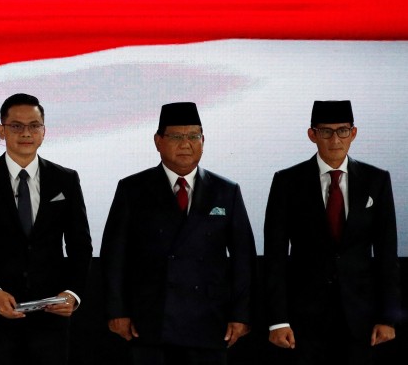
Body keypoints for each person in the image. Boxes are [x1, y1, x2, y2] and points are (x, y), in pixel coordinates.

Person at [102, 101, 255, 365]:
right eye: (176, 136)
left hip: (209, 321)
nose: (186, 144)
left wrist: (241, 314)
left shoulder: (226, 191)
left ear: (203, 141)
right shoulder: (133, 189)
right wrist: (117, 310)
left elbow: (244, 259)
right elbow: (114, 256)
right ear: (158, 141)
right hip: (150, 319)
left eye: (193, 136)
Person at [0, 93, 92, 365]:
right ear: (1, 130)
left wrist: (73, 292)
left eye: (34, 126)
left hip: (51, 314)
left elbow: (80, 245)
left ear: (44, 131)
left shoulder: (65, 179)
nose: (26, 133)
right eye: (16, 126)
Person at [264, 100, 400, 365]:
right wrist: (278, 320)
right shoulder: (287, 181)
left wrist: (388, 317)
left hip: (361, 317)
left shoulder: (377, 180)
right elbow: (275, 256)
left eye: (343, 130)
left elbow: (387, 254)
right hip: (303, 317)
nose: (335, 139)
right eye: (326, 131)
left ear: (354, 133)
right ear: (312, 134)